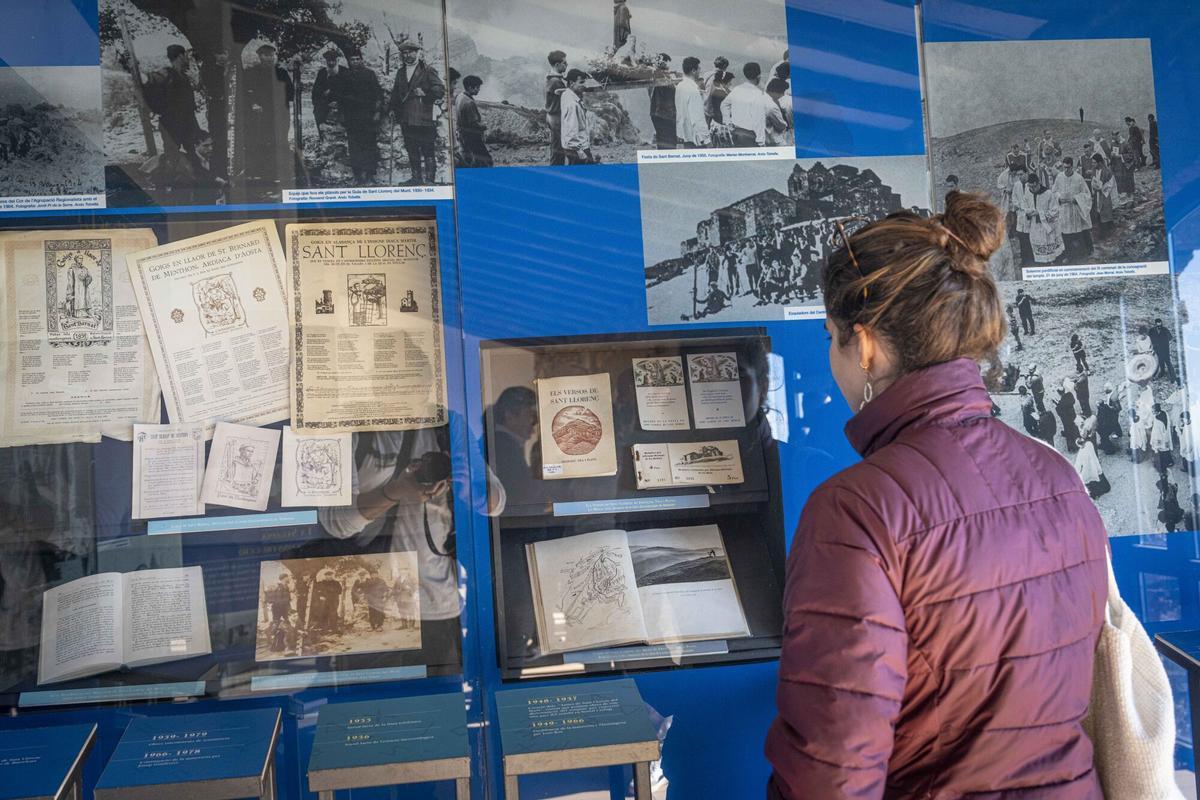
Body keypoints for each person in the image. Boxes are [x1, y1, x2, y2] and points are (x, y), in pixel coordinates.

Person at [765, 191, 1107, 798]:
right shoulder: (1057, 478)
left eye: (831, 337)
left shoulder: (858, 511)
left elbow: (834, 770)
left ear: (865, 346)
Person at [144, 44, 210, 184]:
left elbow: (187, 105)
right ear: (180, 56)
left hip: (185, 123)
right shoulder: (166, 74)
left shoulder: (182, 76)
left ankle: (199, 183)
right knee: (172, 157)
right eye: (185, 55)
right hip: (171, 124)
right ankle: (167, 186)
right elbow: (150, 80)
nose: (187, 58)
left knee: (192, 154)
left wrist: (195, 127)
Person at [389, 42, 445, 185]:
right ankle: (416, 178)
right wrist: (392, 109)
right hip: (407, 118)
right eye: (404, 53)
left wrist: (426, 94)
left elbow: (440, 89)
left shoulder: (427, 70)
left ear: (416, 53)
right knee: (411, 148)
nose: (407, 55)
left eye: (410, 52)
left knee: (427, 149)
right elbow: (395, 93)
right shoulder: (401, 72)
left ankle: (430, 180)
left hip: (424, 117)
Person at [239, 42, 294, 186]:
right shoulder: (251, 73)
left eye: (271, 55)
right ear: (259, 56)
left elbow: (291, 93)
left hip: (279, 114)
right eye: (265, 55)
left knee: (279, 141)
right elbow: (245, 93)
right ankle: (261, 174)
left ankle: (279, 173)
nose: (269, 58)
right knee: (261, 142)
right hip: (260, 116)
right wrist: (253, 103)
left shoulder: (281, 73)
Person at [340, 49, 383, 184]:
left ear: (361, 60)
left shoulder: (369, 74)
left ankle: (370, 174)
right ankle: (358, 175)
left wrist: (377, 112)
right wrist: (342, 115)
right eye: (352, 60)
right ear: (349, 61)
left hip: (367, 117)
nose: (355, 62)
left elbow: (378, 95)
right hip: (351, 118)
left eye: (357, 59)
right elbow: (341, 97)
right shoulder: (345, 76)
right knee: (354, 146)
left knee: (369, 145)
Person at [1053, 157, 1093, 262]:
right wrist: (1059, 198)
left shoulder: (1079, 178)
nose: (1066, 170)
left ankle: (1080, 255)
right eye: (1064, 168)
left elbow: (1087, 194)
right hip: (1064, 210)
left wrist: (1076, 199)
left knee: (1076, 233)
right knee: (1065, 233)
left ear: (1072, 167)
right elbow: (1054, 191)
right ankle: (1068, 255)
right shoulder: (1059, 177)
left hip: (1075, 210)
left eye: (1068, 168)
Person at [721, 62, 768, 147]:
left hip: (735, 133)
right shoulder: (758, 94)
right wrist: (761, 142)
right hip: (749, 136)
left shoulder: (736, 89)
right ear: (758, 76)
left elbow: (724, 105)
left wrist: (727, 121)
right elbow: (759, 120)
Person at [1025, 172, 1064, 264]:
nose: (1032, 189)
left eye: (1034, 187)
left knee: (1051, 248)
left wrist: (1040, 214)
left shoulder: (1048, 193)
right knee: (1039, 248)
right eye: (1030, 187)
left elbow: (1055, 210)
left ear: (1038, 183)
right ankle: (1041, 263)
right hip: (1035, 225)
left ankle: (1055, 262)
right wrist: (1028, 213)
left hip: (1048, 226)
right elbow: (1025, 206)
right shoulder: (1028, 193)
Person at [454, 75, 492, 167]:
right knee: (486, 160)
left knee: (469, 158)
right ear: (470, 87)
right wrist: (484, 126)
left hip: (462, 133)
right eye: (477, 88)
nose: (478, 90)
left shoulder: (460, 96)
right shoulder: (469, 102)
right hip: (471, 135)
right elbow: (473, 123)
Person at [560, 69, 594, 165]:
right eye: (581, 82)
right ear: (571, 83)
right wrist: (580, 153)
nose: (585, 85)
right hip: (578, 149)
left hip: (575, 147)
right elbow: (570, 129)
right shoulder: (572, 103)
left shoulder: (567, 96)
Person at [674, 56, 709, 148]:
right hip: (696, 138)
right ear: (693, 70)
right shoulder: (693, 90)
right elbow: (698, 118)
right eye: (699, 69)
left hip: (684, 135)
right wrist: (707, 140)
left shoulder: (680, 86)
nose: (700, 72)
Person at [648, 53, 676, 149]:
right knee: (669, 142)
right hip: (665, 114)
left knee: (663, 141)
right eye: (667, 64)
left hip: (657, 113)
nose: (668, 68)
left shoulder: (656, 78)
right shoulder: (661, 78)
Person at [545, 51, 568, 166]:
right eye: (564, 62)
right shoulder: (555, 81)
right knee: (558, 149)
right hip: (556, 117)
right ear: (557, 64)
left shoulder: (551, 78)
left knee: (557, 148)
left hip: (552, 116)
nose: (567, 65)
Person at [312, 48, 342, 136]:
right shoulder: (322, 73)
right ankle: (323, 137)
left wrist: (339, 102)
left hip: (342, 102)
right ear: (326, 61)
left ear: (337, 60)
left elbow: (349, 90)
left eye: (333, 61)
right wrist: (324, 98)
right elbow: (315, 92)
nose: (331, 63)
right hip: (326, 103)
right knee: (318, 111)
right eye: (329, 61)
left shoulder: (344, 72)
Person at [1010, 168, 1034, 266]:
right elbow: (1014, 198)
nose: (1019, 177)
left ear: (1026, 173)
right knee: (1022, 238)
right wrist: (1020, 206)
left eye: (1021, 174)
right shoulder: (1016, 185)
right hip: (1020, 214)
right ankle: (1024, 260)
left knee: (1031, 238)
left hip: (1030, 214)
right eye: (1018, 175)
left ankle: (1032, 259)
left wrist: (1027, 208)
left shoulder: (1031, 184)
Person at [1089, 153, 1116, 237]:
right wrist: (1094, 187)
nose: (1092, 164)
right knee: (1098, 211)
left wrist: (1101, 188)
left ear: (1099, 162)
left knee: (1105, 211)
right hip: (1097, 194)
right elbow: (1092, 180)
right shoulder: (1094, 170)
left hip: (1104, 194)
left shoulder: (1107, 171)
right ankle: (1101, 231)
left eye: (1094, 162)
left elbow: (1111, 183)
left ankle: (1108, 231)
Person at [763, 78, 792, 146]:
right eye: (781, 93)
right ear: (775, 92)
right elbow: (781, 126)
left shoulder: (760, 97)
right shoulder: (772, 106)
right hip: (773, 139)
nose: (781, 96)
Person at [1148, 317, 1176, 382]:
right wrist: (1152, 345)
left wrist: (1164, 341)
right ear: (1155, 324)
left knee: (1168, 363)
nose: (1159, 326)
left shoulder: (1165, 329)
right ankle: (1162, 373)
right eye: (1157, 325)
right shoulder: (1151, 330)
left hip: (1165, 349)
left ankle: (1173, 377)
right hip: (1157, 349)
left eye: (1160, 324)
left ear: (1161, 323)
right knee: (1160, 362)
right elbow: (1149, 338)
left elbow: (1170, 338)